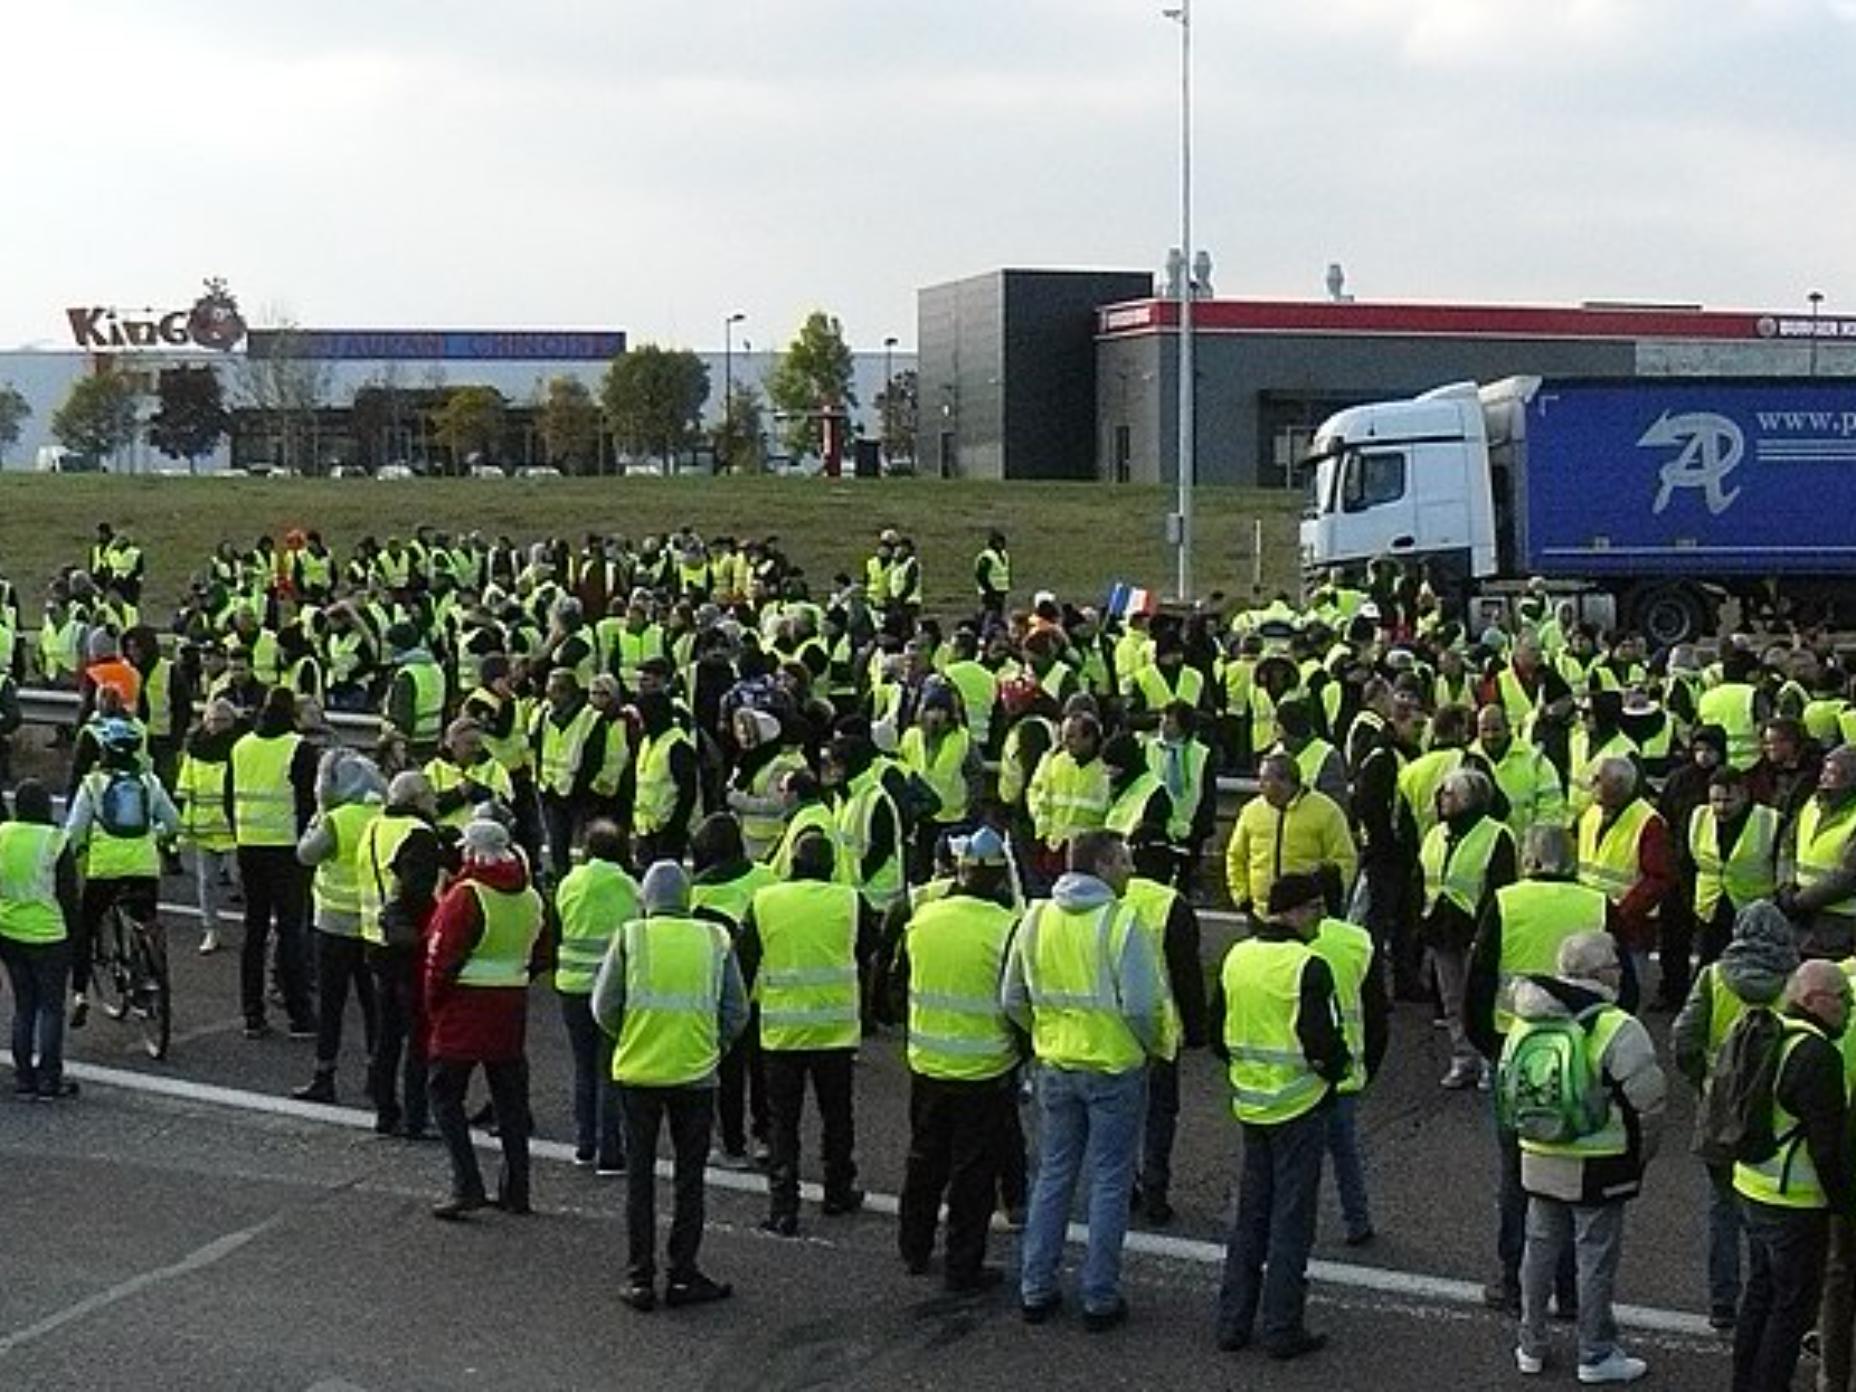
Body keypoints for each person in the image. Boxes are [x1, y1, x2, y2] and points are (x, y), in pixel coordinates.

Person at [1003, 830, 1168, 1331]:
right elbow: (1141, 1005)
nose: (1130, 871)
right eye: (1123, 862)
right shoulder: (1121, 923)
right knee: (1111, 1181)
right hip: (1114, 1066)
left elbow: (1012, 998)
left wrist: (1045, 1035)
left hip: (1055, 1064)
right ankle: (1099, 1295)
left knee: (1053, 1175)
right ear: (1101, 865)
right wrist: (1146, 1046)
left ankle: (1036, 1286)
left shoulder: (1034, 918)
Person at [1465, 824, 1617, 1317]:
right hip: (1582, 1053)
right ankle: (1571, 1292)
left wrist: (1489, 1044)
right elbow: (1625, 984)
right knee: (1579, 1174)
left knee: (1519, 1173)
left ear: (1528, 858)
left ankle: (1513, 1281)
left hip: (1517, 1049)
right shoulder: (1597, 904)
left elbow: (1479, 980)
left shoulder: (1506, 902)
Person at [1507, 931, 1666, 1383]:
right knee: (1594, 1256)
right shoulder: (1616, 1026)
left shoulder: (1526, 1019)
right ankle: (1595, 1352)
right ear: (1598, 974)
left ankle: (1530, 1343)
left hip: (1538, 1150)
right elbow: (1648, 1104)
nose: (1621, 973)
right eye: (1616, 966)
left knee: (1538, 1249)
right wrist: (1641, 1158)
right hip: (1599, 1159)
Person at [594, 860, 748, 1312]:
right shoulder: (715, 939)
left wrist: (631, 1036)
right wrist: (712, 1045)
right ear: (687, 900)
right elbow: (736, 1011)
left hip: (638, 1072)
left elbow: (604, 1005)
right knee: (689, 1178)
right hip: (696, 1074)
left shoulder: (630, 937)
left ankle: (639, 1277)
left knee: (639, 1178)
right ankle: (683, 1274)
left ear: (646, 899)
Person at [1212, 872, 1352, 1360]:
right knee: (1292, 1220)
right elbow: (1322, 1044)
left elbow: (1217, 1034)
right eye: (1315, 908)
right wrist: (1338, 1072)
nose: (1321, 918)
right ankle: (1281, 1327)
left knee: (1250, 1215)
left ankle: (1233, 1321)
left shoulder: (1238, 957)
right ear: (1293, 912)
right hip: (1298, 1105)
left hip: (1251, 1101)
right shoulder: (1308, 966)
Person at [886, 826, 1023, 1292]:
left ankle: (913, 1247)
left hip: (927, 1063)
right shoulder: (1008, 930)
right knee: (972, 1176)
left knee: (924, 1161)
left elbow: (898, 980)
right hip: (984, 1070)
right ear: (999, 876)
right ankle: (963, 1266)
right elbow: (1019, 1002)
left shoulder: (925, 919)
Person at [1670, 902, 1798, 1333]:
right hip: (1775, 1116)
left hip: (1719, 1110)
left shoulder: (1713, 977)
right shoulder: (1794, 984)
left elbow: (1683, 1041)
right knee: (1770, 1215)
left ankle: (1723, 1301)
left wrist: (1704, 1083)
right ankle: (1769, 1300)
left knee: (1722, 1210)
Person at [743, 830, 877, 1235]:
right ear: (830, 867)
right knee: (837, 1115)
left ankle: (784, 1205)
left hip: (782, 1031)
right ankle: (838, 1188)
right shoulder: (850, 901)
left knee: (784, 1122)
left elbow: (746, 957)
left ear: (794, 864)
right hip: (834, 1029)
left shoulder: (765, 902)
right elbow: (867, 947)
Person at [1732, 959, 1854, 1392]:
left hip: (1750, 1183)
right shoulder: (1817, 1053)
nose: (1847, 1007)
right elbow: (1827, 1144)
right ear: (1812, 999)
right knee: (1791, 1308)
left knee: (1759, 1295)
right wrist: (1843, 1202)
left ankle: (1743, 1381)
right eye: (1841, 998)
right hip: (1794, 1198)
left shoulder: (1765, 1031)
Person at [424, 816, 549, 1220]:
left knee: (445, 1097)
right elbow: (546, 949)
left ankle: (467, 1185)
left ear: (472, 850)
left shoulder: (467, 895)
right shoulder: (530, 896)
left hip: (464, 1008)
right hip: (510, 1009)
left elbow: (440, 958)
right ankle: (517, 1190)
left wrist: (433, 1004)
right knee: (511, 1104)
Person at [64, 718, 181, 1030]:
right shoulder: (150, 782)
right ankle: (150, 974)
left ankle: (79, 994)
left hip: (105, 868)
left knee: (85, 927)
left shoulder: (94, 784)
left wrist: (76, 851)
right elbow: (174, 823)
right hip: (144, 866)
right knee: (146, 920)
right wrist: (154, 835)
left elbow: (74, 831)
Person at [290, 750, 386, 1104]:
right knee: (372, 1003)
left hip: (333, 924)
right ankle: (377, 1073)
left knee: (332, 1005)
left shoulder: (335, 819)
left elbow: (306, 854)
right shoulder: (381, 816)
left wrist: (318, 816)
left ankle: (324, 1073)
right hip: (371, 924)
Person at [226, 686, 320, 1038]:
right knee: (291, 932)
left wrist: (241, 833)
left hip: (250, 845)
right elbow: (309, 803)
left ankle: (252, 1013)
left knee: (254, 932)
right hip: (286, 849)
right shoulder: (299, 749)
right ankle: (299, 1014)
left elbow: (229, 798)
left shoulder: (242, 747)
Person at [359, 771, 446, 1139]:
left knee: (387, 1033)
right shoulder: (419, 834)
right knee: (419, 1034)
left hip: (373, 938)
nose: (435, 800)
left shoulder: (374, 826)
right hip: (408, 942)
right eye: (430, 794)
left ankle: (384, 1108)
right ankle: (415, 1114)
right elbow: (417, 890)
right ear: (416, 799)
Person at [687, 813, 778, 1167]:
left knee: (727, 1073)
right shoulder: (766, 877)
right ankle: (765, 1137)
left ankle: (732, 1145)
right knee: (762, 1072)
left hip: (723, 994)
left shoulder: (699, 893)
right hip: (766, 989)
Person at [1419, 768, 1517, 1089]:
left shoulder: (1496, 834)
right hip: (1440, 926)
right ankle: (1463, 1058)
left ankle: (1489, 1060)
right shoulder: (1436, 834)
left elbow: (1499, 886)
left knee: (1483, 998)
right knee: (1452, 999)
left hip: (1475, 928)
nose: (1443, 799)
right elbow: (1420, 879)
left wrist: (1486, 932)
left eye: (1450, 793)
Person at [555, 819, 640, 1174]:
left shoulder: (570, 883)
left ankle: (584, 1144)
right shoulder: (629, 887)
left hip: (571, 984)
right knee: (610, 1070)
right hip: (611, 987)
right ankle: (610, 1150)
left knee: (583, 1067)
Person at [1310, 904, 1388, 1249]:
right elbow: (1376, 1012)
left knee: (1297, 1159)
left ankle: (1294, 1222)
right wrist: (1369, 1064)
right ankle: (1357, 1220)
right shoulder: (1358, 942)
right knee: (1345, 1151)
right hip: (1347, 1069)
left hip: (1299, 1073)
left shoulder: (1289, 944)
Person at [0, 780, 81, 1099]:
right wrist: (77, 939)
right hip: (49, 933)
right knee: (50, 1007)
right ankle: (49, 1077)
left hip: (8, 930)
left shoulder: (3, 834)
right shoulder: (55, 841)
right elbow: (68, 896)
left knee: (24, 1005)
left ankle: (23, 1078)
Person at [1575, 756, 1676, 995]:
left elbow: (1659, 878)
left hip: (1631, 929)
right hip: (1591, 921)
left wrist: (1622, 913)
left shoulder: (1649, 823)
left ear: (1618, 785)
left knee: (1628, 995)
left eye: (1599, 780)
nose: (1592, 783)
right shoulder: (1591, 814)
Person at [1224, 752, 1356, 921]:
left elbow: (1344, 860)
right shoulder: (1251, 811)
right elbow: (1236, 856)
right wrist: (1241, 896)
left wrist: (1329, 903)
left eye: (1265, 779)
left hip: (1306, 916)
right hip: (1261, 914)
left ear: (1285, 781)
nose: (1260, 785)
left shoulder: (1326, 812)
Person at [174, 698, 241, 956]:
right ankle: (211, 930)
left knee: (240, 882)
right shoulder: (195, 748)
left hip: (233, 829)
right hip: (205, 829)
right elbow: (186, 790)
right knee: (206, 883)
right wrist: (184, 829)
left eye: (222, 720)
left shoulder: (239, 748)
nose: (216, 725)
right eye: (212, 720)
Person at [1778, 745, 1856, 960]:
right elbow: (1787, 845)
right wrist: (1784, 884)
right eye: (1824, 771)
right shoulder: (1812, 803)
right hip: (1800, 917)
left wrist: (1799, 901)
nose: (1823, 777)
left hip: (1841, 922)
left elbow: (1848, 877)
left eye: (1832, 773)